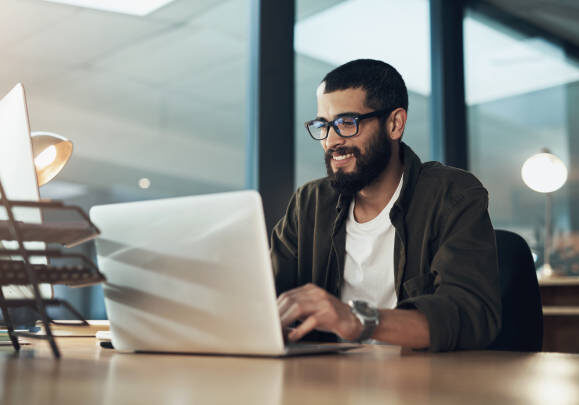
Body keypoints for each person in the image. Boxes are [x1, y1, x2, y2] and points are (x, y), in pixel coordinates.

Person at [271, 59, 501, 352]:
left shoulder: (452, 194)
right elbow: (265, 294)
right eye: (323, 125)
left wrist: (358, 320)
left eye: (346, 123)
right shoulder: (310, 203)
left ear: (395, 124)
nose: (330, 141)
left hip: (421, 383)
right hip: (326, 381)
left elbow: (471, 314)